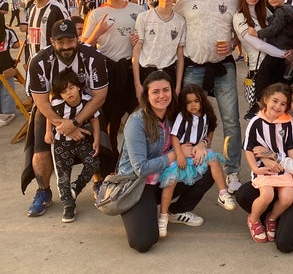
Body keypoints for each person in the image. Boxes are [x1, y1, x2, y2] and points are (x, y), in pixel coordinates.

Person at [116, 71, 213, 253]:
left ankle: (175, 211)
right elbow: (140, 169)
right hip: (138, 184)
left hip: (166, 177)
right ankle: (142, 210)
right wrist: (175, 155)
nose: (162, 96)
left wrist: (203, 143)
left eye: (166, 90)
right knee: (143, 242)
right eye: (156, 92)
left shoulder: (176, 114)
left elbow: (209, 124)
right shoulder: (136, 122)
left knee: (208, 168)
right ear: (146, 95)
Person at [25, 19, 108, 217]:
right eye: (60, 42)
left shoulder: (92, 57)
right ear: (52, 41)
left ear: (77, 39)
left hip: (86, 108)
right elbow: (41, 101)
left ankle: (98, 183)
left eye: (70, 41)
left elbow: (100, 96)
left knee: (100, 146)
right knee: (41, 149)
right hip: (51, 112)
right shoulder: (39, 61)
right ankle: (43, 191)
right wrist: (62, 125)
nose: (66, 46)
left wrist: (76, 122)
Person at [173, 0, 242, 194]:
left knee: (231, 119)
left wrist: (233, 43)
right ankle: (186, 166)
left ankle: (232, 171)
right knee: (186, 119)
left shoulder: (233, 0)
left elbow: (242, 30)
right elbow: (172, 22)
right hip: (193, 66)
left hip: (223, 67)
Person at [236, 81, 293, 253]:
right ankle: (280, 218)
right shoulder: (283, 118)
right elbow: (256, 147)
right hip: (283, 175)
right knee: (244, 194)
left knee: (284, 243)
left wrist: (273, 157)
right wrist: (266, 160)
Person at [82, 0, 145, 158]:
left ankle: (136, 157)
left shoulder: (138, 10)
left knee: (140, 117)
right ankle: (111, 161)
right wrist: (97, 33)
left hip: (133, 69)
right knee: (111, 121)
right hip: (109, 71)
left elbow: (148, 37)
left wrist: (140, 40)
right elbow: (83, 47)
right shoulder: (96, 14)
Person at [158, 83, 235, 238]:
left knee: (214, 161)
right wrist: (179, 154)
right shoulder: (182, 117)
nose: (193, 105)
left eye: (196, 101)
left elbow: (210, 131)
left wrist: (203, 143)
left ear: (202, 101)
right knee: (171, 181)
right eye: (188, 102)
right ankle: (163, 216)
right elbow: (175, 136)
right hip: (182, 152)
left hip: (197, 152)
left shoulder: (206, 116)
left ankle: (223, 193)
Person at [243, 84, 293, 242]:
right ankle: (253, 219)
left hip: (282, 169)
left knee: (287, 198)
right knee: (267, 194)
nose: (278, 106)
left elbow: (291, 148)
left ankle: (271, 218)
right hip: (263, 169)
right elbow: (248, 148)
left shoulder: (288, 122)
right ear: (266, 99)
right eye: (275, 101)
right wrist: (255, 169)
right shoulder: (256, 122)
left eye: (283, 104)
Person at [44, 70, 100, 223]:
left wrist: (96, 139)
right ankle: (68, 204)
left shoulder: (87, 101)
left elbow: (94, 119)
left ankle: (77, 186)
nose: (68, 93)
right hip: (61, 142)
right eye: (63, 91)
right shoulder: (56, 103)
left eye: (71, 88)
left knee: (93, 161)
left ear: (78, 87)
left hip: (81, 139)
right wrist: (48, 131)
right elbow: (49, 116)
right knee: (63, 175)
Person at [232, 0, 289, 119]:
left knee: (280, 116)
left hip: (277, 67)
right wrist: (284, 54)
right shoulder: (239, 17)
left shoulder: (266, 12)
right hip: (259, 71)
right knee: (263, 117)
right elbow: (258, 44)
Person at [247, 0, 293, 111]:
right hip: (287, 48)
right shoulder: (292, 9)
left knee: (263, 73)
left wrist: (257, 33)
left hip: (279, 49)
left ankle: (259, 102)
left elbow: (275, 28)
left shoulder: (281, 11)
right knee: (279, 79)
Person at [132, 0, 185, 100]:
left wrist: (177, 86)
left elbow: (180, 54)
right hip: (147, 71)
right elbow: (137, 49)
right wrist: (137, 84)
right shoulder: (143, 17)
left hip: (169, 72)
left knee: (168, 113)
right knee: (147, 113)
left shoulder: (180, 21)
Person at [20, 0, 70, 65]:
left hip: (53, 68)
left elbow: (69, 41)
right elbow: (31, 38)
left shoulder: (57, 9)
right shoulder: (31, 9)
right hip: (35, 67)